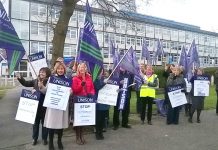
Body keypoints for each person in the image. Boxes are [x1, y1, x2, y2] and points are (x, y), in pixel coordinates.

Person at [16, 67, 51, 146]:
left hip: (45, 107)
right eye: (40, 72)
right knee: (35, 124)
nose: (41, 73)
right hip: (35, 107)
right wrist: (20, 78)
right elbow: (26, 83)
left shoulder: (49, 82)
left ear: (47, 74)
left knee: (45, 124)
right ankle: (34, 138)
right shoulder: (35, 80)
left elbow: (49, 93)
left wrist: (38, 90)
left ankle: (44, 138)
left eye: (43, 72)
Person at [43, 62, 70, 150]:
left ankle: (59, 141)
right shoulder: (51, 78)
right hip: (53, 105)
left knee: (60, 125)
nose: (60, 70)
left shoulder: (67, 79)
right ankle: (50, 142)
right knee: (51, 124)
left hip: (62, 106)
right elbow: (46, 91)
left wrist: (71, 92)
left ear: (64, 69)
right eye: (59, 69)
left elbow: (70, 92)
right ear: (56, 69)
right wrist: (41, 87)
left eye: (62, 69)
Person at [72, 62, 95, 145]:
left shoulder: (89, 78)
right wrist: (81, 85)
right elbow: (74, 90)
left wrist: (92, 95)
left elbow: (92, 88)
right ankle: (78, 137)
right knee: (78, 120)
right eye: (81, 67)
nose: (82, 69)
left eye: (84, 67)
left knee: (84, 119)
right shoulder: (75, 78)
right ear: (78, 69)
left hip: (87, 101)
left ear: (86, 69)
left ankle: (82, 135)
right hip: (78, 101)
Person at [94, 69, 110, 140]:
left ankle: (101, 132)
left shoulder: (104, 79)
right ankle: (97, 133)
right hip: (98, 102)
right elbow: (97, 87)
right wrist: (104, 83)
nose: (101, 73)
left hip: (105, 102)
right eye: (99, 72)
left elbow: (109, 89)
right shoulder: (95, 80)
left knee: (103, 118)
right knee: (98, 119)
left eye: (101, 72)